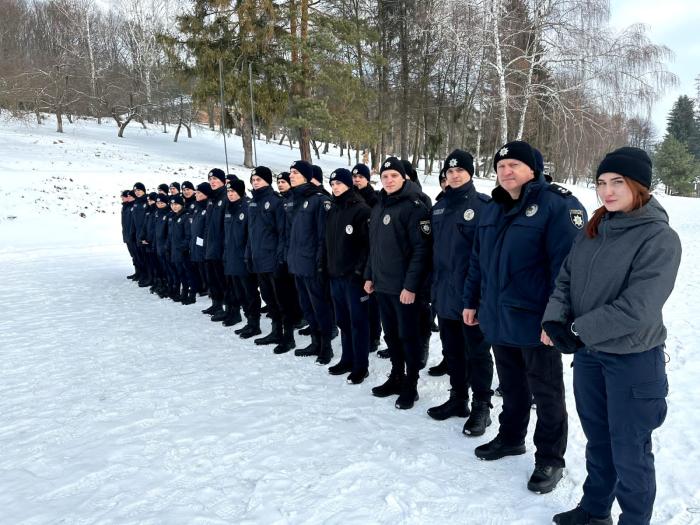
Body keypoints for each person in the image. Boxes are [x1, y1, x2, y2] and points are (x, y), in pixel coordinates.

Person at [542, 147, 681, 525]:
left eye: (617, 182)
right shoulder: (594, 228)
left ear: (639, 186)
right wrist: (555, 319)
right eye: (601, 182)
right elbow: (565, 279)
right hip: (589, 357)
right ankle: (594, 510)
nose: (607, 191)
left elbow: (638, 307)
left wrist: (577, 330)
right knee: (599, 442)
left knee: (630, 451)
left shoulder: (659, 237)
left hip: (632, 360)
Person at [463, 140, 585, 494]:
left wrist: (556, 320)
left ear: (534, 169)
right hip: (498, 317)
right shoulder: (493, 208)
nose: (506, 171)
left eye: (514, 165)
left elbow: (567, 270)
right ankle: (511, 437)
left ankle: (550, 458)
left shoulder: (557, 206)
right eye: (501, 166)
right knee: (512, 385)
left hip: (536, 322)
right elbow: (477, 261)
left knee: (546, 394)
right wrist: (471, 301)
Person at [427, 150, 494, 437]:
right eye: (450, 171)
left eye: (460, 171)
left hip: (471, 298)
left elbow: (487, 259)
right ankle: (458, 398)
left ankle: (482, 407)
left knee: (477, 354)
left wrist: (478, 298)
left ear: (470, 173)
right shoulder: (439, 208)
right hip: (444, 294)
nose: (454, 175)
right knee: (452, 351)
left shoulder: (484, 206)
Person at [364, 157, 432, 410]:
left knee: (408, 337)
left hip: (405, 289)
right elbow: (374, 247)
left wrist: (411, 287)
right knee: (391, 335)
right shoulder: (379, 205)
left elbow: (421, 251)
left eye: (394, 175)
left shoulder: (415, 206)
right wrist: (369, 275)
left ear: (404, 177)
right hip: (383, 285)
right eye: (385, 176)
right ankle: (396, 376)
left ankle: (410, 384)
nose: (389, 180)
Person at [325, 168, 372, 383]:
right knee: (342, 320)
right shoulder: (333, 209)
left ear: (348, 185)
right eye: (332, 184)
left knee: (358, 322)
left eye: (339, 183)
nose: (335, 187)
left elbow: (367, 246)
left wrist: (358, 272)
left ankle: (361, 366)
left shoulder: (361, 209)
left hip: (354, 278)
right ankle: (347, 359)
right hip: (335, 275)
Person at [287, 160, 335, 364]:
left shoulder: (319, 200)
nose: (291, 175)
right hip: (298, 263)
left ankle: (326, 346)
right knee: (306, 307)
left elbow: (323, 236)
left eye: (295, 172)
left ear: (306, 177)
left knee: (320, 307)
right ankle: (315, 342)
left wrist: (320, 263)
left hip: (313, 265)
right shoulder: (295, 199)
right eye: (290, 172)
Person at [246, 166, 297, 354]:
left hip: (274, 260)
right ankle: (276, 332)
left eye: (259, 179)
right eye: (253, 180)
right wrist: (248, 254)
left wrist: (280, 259)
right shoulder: (253, 203)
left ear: (267, 181)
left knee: (283, 300)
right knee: (268, 299)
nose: (255, 182)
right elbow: (251, 233)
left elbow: (283, 234)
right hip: (258, 259)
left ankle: (288, 337)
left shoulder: (276, 202)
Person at [223, 177, 262, 336]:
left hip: (244, 258)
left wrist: (248, 255)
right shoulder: (229, 208)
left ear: (240, 191)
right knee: (239, 293)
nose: (230, 194)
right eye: (228, 191)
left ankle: (254, 323)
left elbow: (251, 235)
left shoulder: (247, 207)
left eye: (233, 191)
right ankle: (248, 320)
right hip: (231, 258)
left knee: (250, 292)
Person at [203, 168, 241, 325]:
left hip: (222, 248)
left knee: (227, 283)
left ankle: (233, 311)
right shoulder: (212, 199)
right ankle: (220, 306)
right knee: (216, 280)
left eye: (215, 179)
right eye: (210, 179)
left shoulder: (226, 198)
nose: (212, 182)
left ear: (223, 181)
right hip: (212, 247)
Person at [352, 163, 382, 353]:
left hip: (370, 253)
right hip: (354, 254)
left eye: (361, 177)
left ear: (367, 179)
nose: (357, 180)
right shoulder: (350, 196)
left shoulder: (374, 198)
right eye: (354, 177)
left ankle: (374, 335)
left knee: (371, 301)